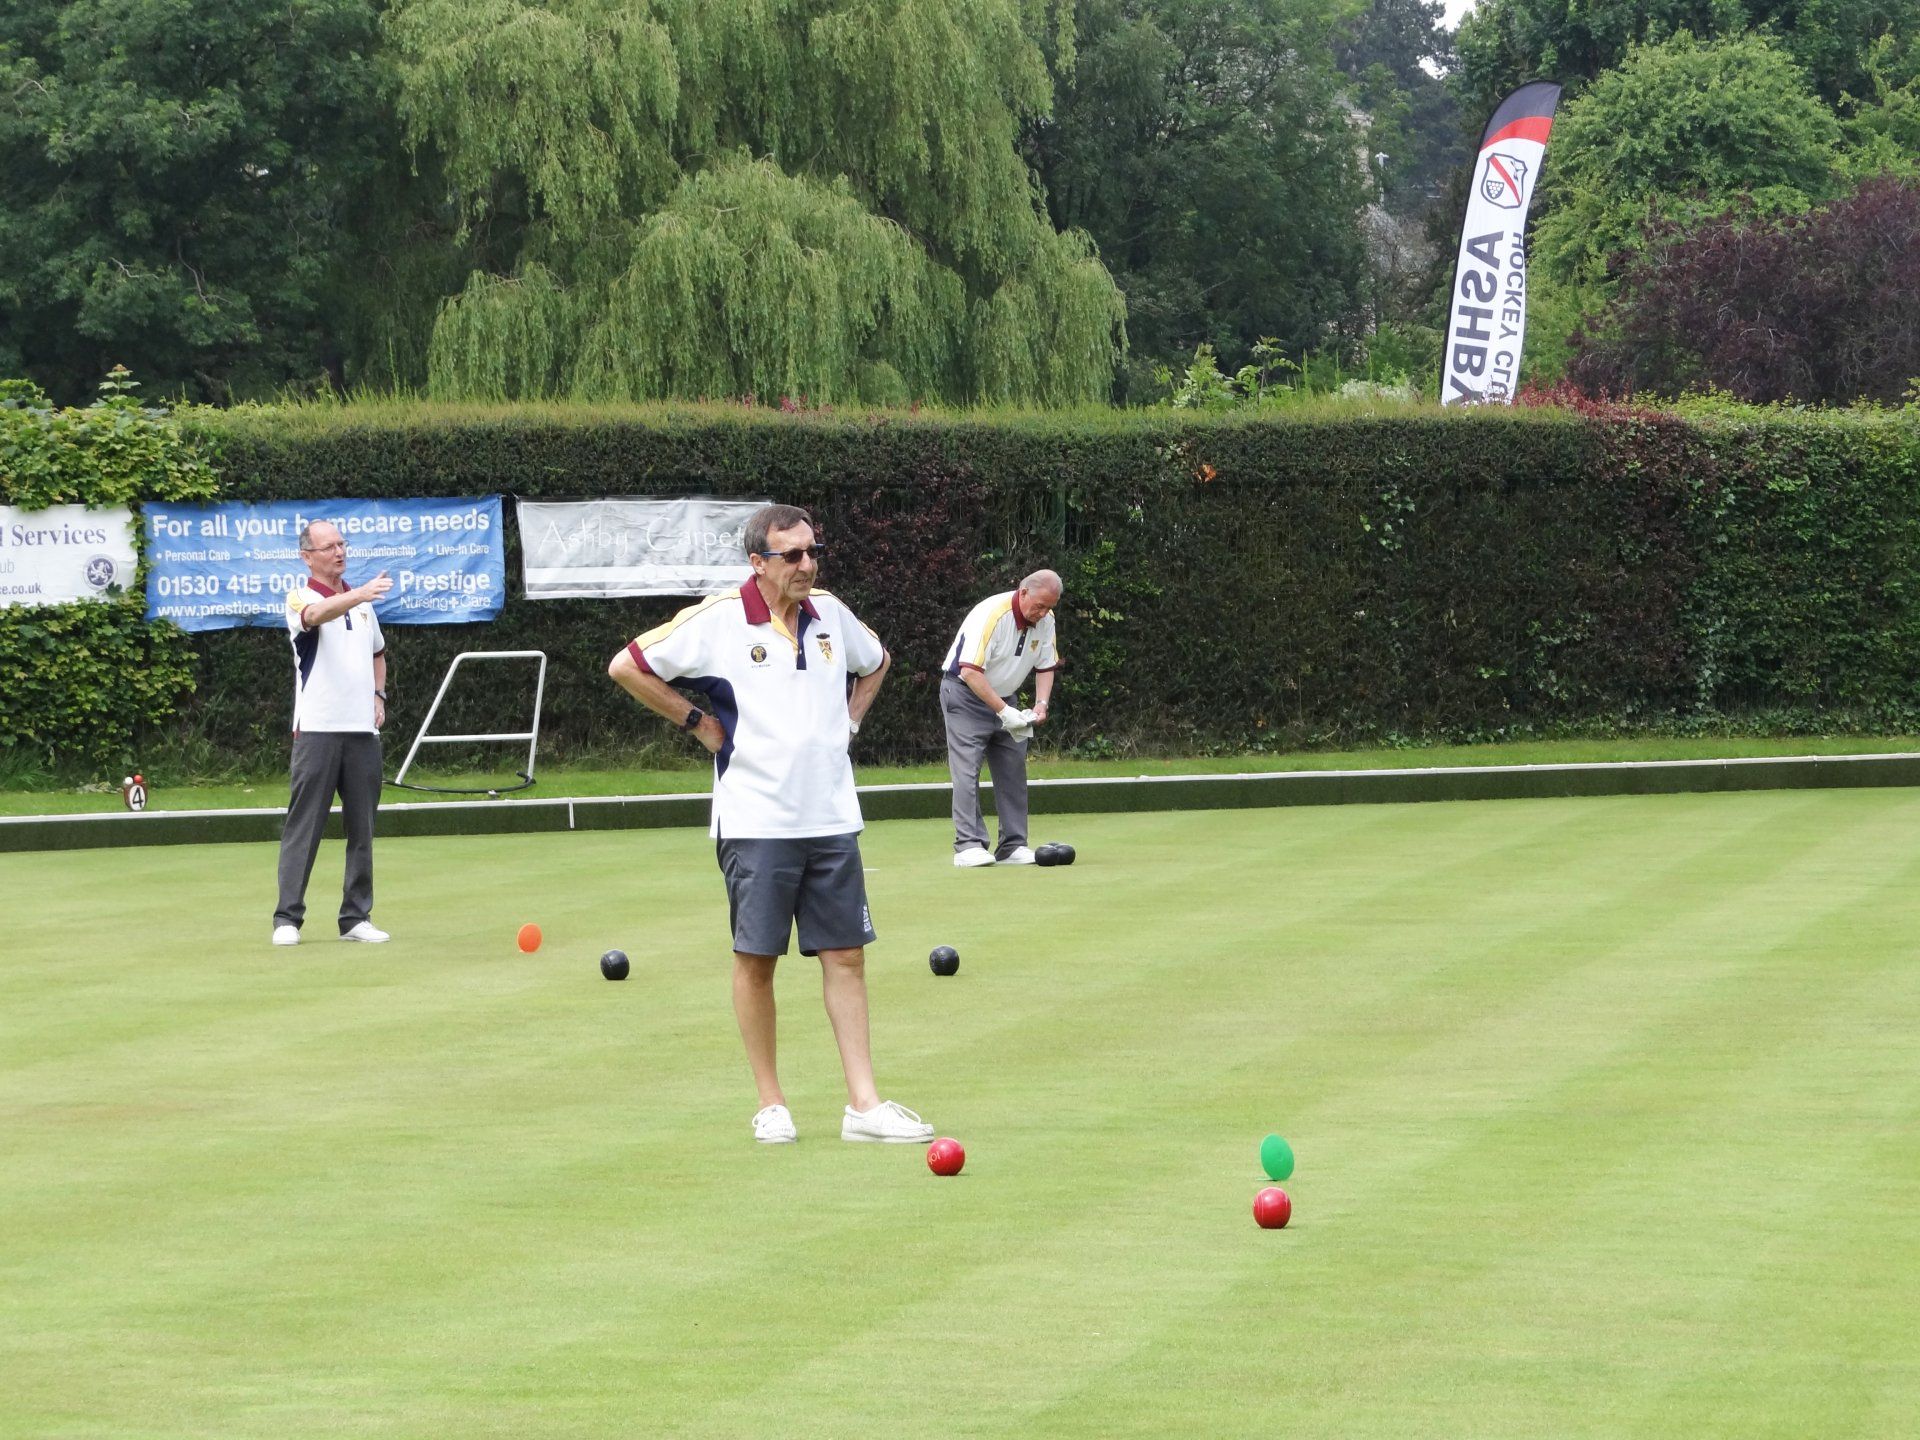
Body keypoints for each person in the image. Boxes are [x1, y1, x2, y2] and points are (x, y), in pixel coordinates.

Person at [607, 503, 935, 1147]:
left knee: (845, 956)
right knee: (757, 960)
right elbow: (628, 667)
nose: (807, 565)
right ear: (758, 562)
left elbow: (877, 662)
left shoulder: (832, 615)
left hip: (832, 816)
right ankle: (771, 1104)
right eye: (793, 556)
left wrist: (850, 724)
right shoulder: (720, 619)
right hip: (755, 820)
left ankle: (863, 1106)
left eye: (813, 552)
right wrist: (696, 722)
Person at [272, 521, 393, 946]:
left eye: (342, 544)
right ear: (308, 556)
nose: (339, 552)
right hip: (318, 730)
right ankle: (287, 919)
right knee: (304, 826)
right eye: (328, 547)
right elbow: (314, 617)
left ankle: (355, 918)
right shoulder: (299, 596)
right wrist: (357, 594)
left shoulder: (364, 607)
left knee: (363, 829)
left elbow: (378, 653)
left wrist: (379, 696)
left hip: (362, 733)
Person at [939, 570, 1063, 867]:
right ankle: (968, 845)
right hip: (965, 695)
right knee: (967, 769)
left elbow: (1046, 665)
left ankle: (1012, 845)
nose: (1043, 613)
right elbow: (969, 670)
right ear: (1023, 593)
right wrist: (1003, 711)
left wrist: (1041, 704)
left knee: (1012, 769)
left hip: (1006, 698)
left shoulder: (1046, 621)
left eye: (1049, 607)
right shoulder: (992, 615)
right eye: (1039, 606)